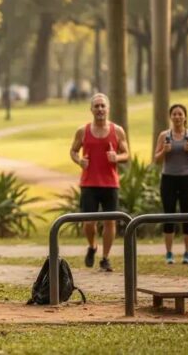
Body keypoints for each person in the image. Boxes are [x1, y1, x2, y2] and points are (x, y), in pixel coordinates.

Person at [69, 93, 130, 272]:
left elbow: (127, 154)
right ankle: (92, 246)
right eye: (96, 106)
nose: (100, 109)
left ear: (108, 108)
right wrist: (79, 161)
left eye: (103, 106)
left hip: (110, 183)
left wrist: (116, 157)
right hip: (89, 183)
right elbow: (73, 151)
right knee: (89, 223)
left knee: (110, 222)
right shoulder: (83, 131)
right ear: (91, 109)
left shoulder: (117, 131)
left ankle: (105, 258)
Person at [153, 104, 188, 265]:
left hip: (187, 178)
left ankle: (187, 253)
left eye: (180, 114)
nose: (177, 117)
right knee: (169, 215)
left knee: (187, 215)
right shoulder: (164, 136)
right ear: (170, 117)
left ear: (185, 117)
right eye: (174, 114)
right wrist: (164, 151)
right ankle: (169, 253)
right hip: (168, 179)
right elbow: (156, 160)